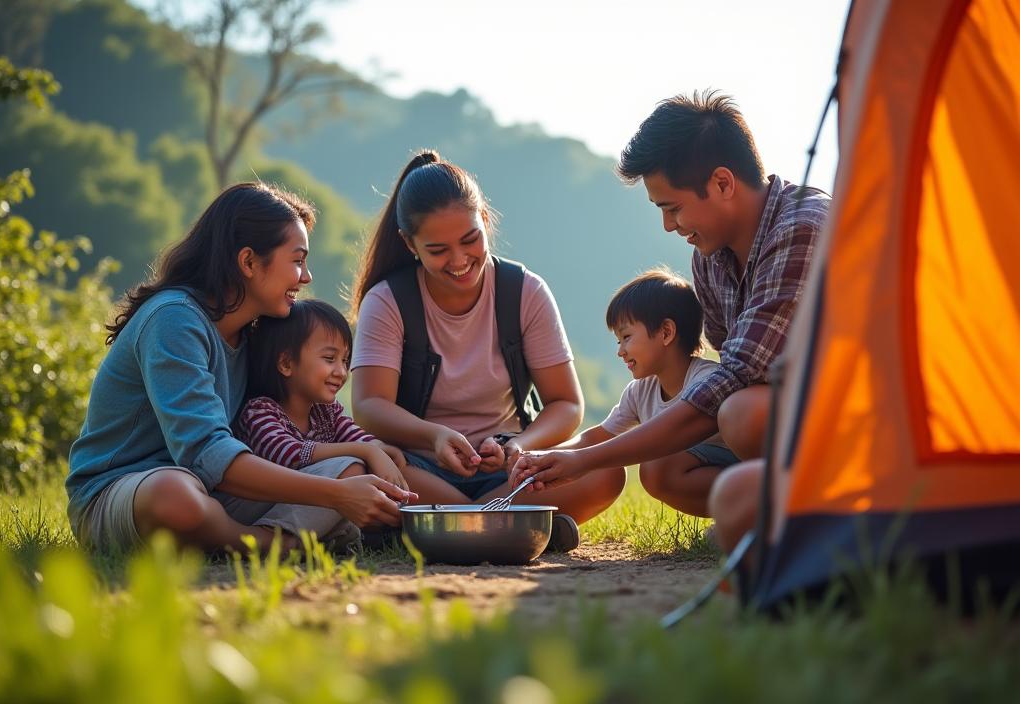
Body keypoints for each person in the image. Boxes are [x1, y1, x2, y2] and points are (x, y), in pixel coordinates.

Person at [510, 91, 830, 552]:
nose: (668, 226)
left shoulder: (802, 229)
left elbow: (732, 383)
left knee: (741, 413)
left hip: (855, 415)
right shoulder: (710, 258)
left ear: (722, 183)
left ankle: (818, 514)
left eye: (672, 208)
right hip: (795, 421)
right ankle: (773, 513)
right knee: (663, 469)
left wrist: (583, 460)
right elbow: (732, 376)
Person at [66, 183, 415, 556]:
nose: (306, 277)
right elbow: (207, 452)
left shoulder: (253, 334)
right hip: (128, 492)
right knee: (176, 496)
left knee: (350, 471)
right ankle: (274, 545)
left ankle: (230, 538)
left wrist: (367, 456)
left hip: (215, 492)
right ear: (248, 262)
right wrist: (336, 496)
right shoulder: (175, 320)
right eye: (297, 261)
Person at [350, 150, 625, 550]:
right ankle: (514, 527)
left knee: (605, 469)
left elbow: (566, 404)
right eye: (438, 250)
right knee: (360, 466)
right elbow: (370, 405)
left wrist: (519, 447)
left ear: (486, 220)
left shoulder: (525, 291)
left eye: (470, 240)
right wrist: (436, 438)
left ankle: (442, 530)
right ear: (409, 244)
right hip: (421, 469)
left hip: (510, 469)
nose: (460, 260)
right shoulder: (387, 300)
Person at [551, 269, 739, 516]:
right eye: (619, 341)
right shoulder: (640, 391)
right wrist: (545, 456)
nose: (620, 351)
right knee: (656, 469)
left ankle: (749, 512)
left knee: (657, 466)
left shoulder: (706, 381)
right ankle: (732, 517)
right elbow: (597, 438)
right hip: (707, 471)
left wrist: (579, 460)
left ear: (666, 332)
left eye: (626, 337)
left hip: (740, 467)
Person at [237, 298, 412, 491]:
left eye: (345, 361)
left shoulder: (325, 411)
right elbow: (289, 454)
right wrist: (367, 451)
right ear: (286, 363)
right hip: (263, 503)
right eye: (330, 359)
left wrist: (379, 448)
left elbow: (351, 434)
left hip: (306, 499)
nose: (342, 372)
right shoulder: (259, 412)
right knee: (350, 470)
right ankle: (270, 524)